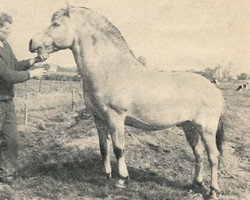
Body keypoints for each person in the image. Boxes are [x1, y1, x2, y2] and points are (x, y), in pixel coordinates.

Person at [0, 11, 49, 185]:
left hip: (7, 100)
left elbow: (15, 65)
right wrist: (31, 74)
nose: (9, 32)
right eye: (6, 29)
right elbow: (7, 76)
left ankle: (7, 174)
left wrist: (34, 60)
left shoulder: (5, 45)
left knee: (11, 138)